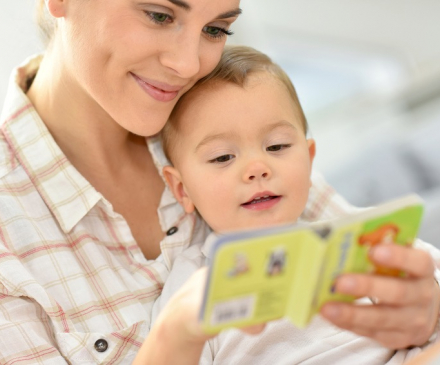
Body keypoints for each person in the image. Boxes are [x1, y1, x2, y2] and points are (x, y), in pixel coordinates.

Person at [0, 1, 439, 364]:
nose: (188, 65)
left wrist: (424, 310)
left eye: (215, 28)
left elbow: (369, 254)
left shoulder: (217, 115)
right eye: (159, 15)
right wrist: (177, 332)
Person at [151, 45, 438, 364]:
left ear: (309, 157)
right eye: (223, 157)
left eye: (276, 146)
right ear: (182, 189)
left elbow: (428, 279)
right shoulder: (191, 284)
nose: (257, 168)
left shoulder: (348, 238)